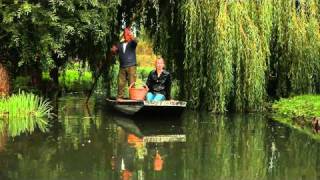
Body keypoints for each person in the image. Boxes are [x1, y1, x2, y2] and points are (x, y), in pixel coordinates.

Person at [111, 27, 138, 101]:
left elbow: (136, 41)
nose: (126, 34)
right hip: (122, 66)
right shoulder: (119, 44)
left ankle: (133, 98)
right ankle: (120, 97)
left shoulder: (132, 43)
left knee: (132, 83)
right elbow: (114, 52)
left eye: (127, 33)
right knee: (121, 83)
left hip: (131, 66)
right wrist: (113, 50)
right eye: (125, 33)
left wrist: (131, 35)